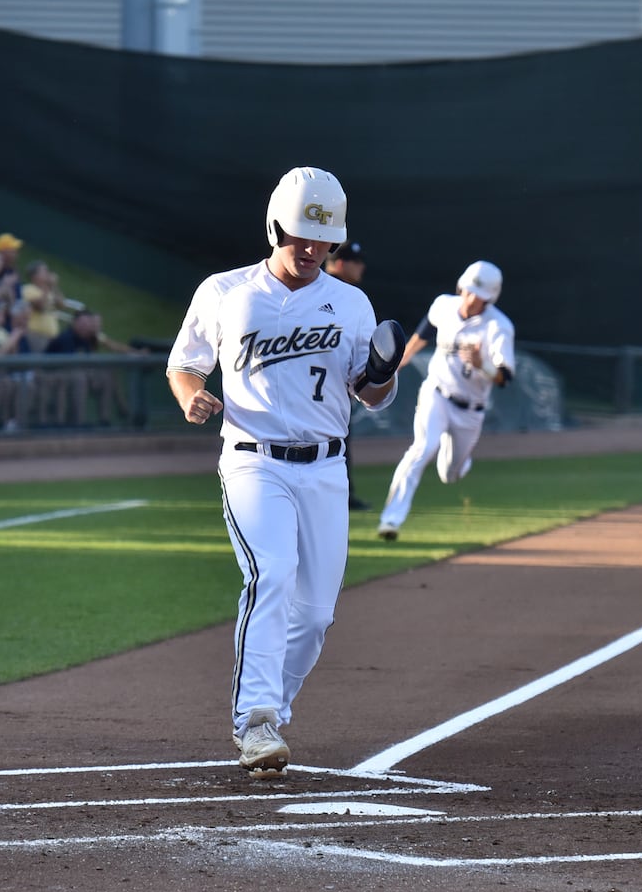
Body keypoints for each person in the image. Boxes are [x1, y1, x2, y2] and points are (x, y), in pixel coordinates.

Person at [166, 166, 403, 776]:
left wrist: (382, 372)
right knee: (270, 573)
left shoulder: (351, 303)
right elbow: (184, 365)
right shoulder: (224, 292)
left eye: (322, 239)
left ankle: (274, 711)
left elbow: (368, 396)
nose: (309, 248)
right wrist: (191, 396)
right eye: (299, 234)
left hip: (326, 468)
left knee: (317, 613)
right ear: (274, 226)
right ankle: (255, 719)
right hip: (253, 461)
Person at [376, 260, 515, 542]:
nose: (472, 298)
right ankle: (390, 521)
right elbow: (423, 334)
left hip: (470, 410)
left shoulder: (499, 327)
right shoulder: (444, 306)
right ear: (461, 286)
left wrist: (482, 364)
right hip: (437, 393)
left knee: (449, 474)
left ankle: (461, 463)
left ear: (491, 298)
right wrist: (399, 363)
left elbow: (504, 378)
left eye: (480, 295)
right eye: (469, 290)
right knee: (422, 449)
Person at [325, 240, 370, 510]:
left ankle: (344, 496)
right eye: (357, 262)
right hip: (324, 388)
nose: (362, 267)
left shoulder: (350, 297)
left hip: (333, 386)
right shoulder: (334, 294)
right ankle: (341, 498)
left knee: (339, 442)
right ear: (341, 263)